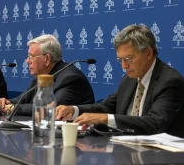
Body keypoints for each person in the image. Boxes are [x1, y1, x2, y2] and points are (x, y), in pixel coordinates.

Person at [56, 24, 184, 138]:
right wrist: (73, 110)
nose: (123, 66)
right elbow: (106, 107)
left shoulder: (170, 82)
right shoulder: (129, 79)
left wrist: (105, 119)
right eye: (120, 59)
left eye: (128, 58)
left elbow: (154, 123)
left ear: (148, 53)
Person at [0, 34, 95, 116]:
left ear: (47, 59)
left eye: (31, 56)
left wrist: (12, 108)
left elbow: (50, 109)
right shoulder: (42, 76)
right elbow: (22, 100)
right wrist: (5, 102)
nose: (27, 61)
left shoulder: (70, 78)